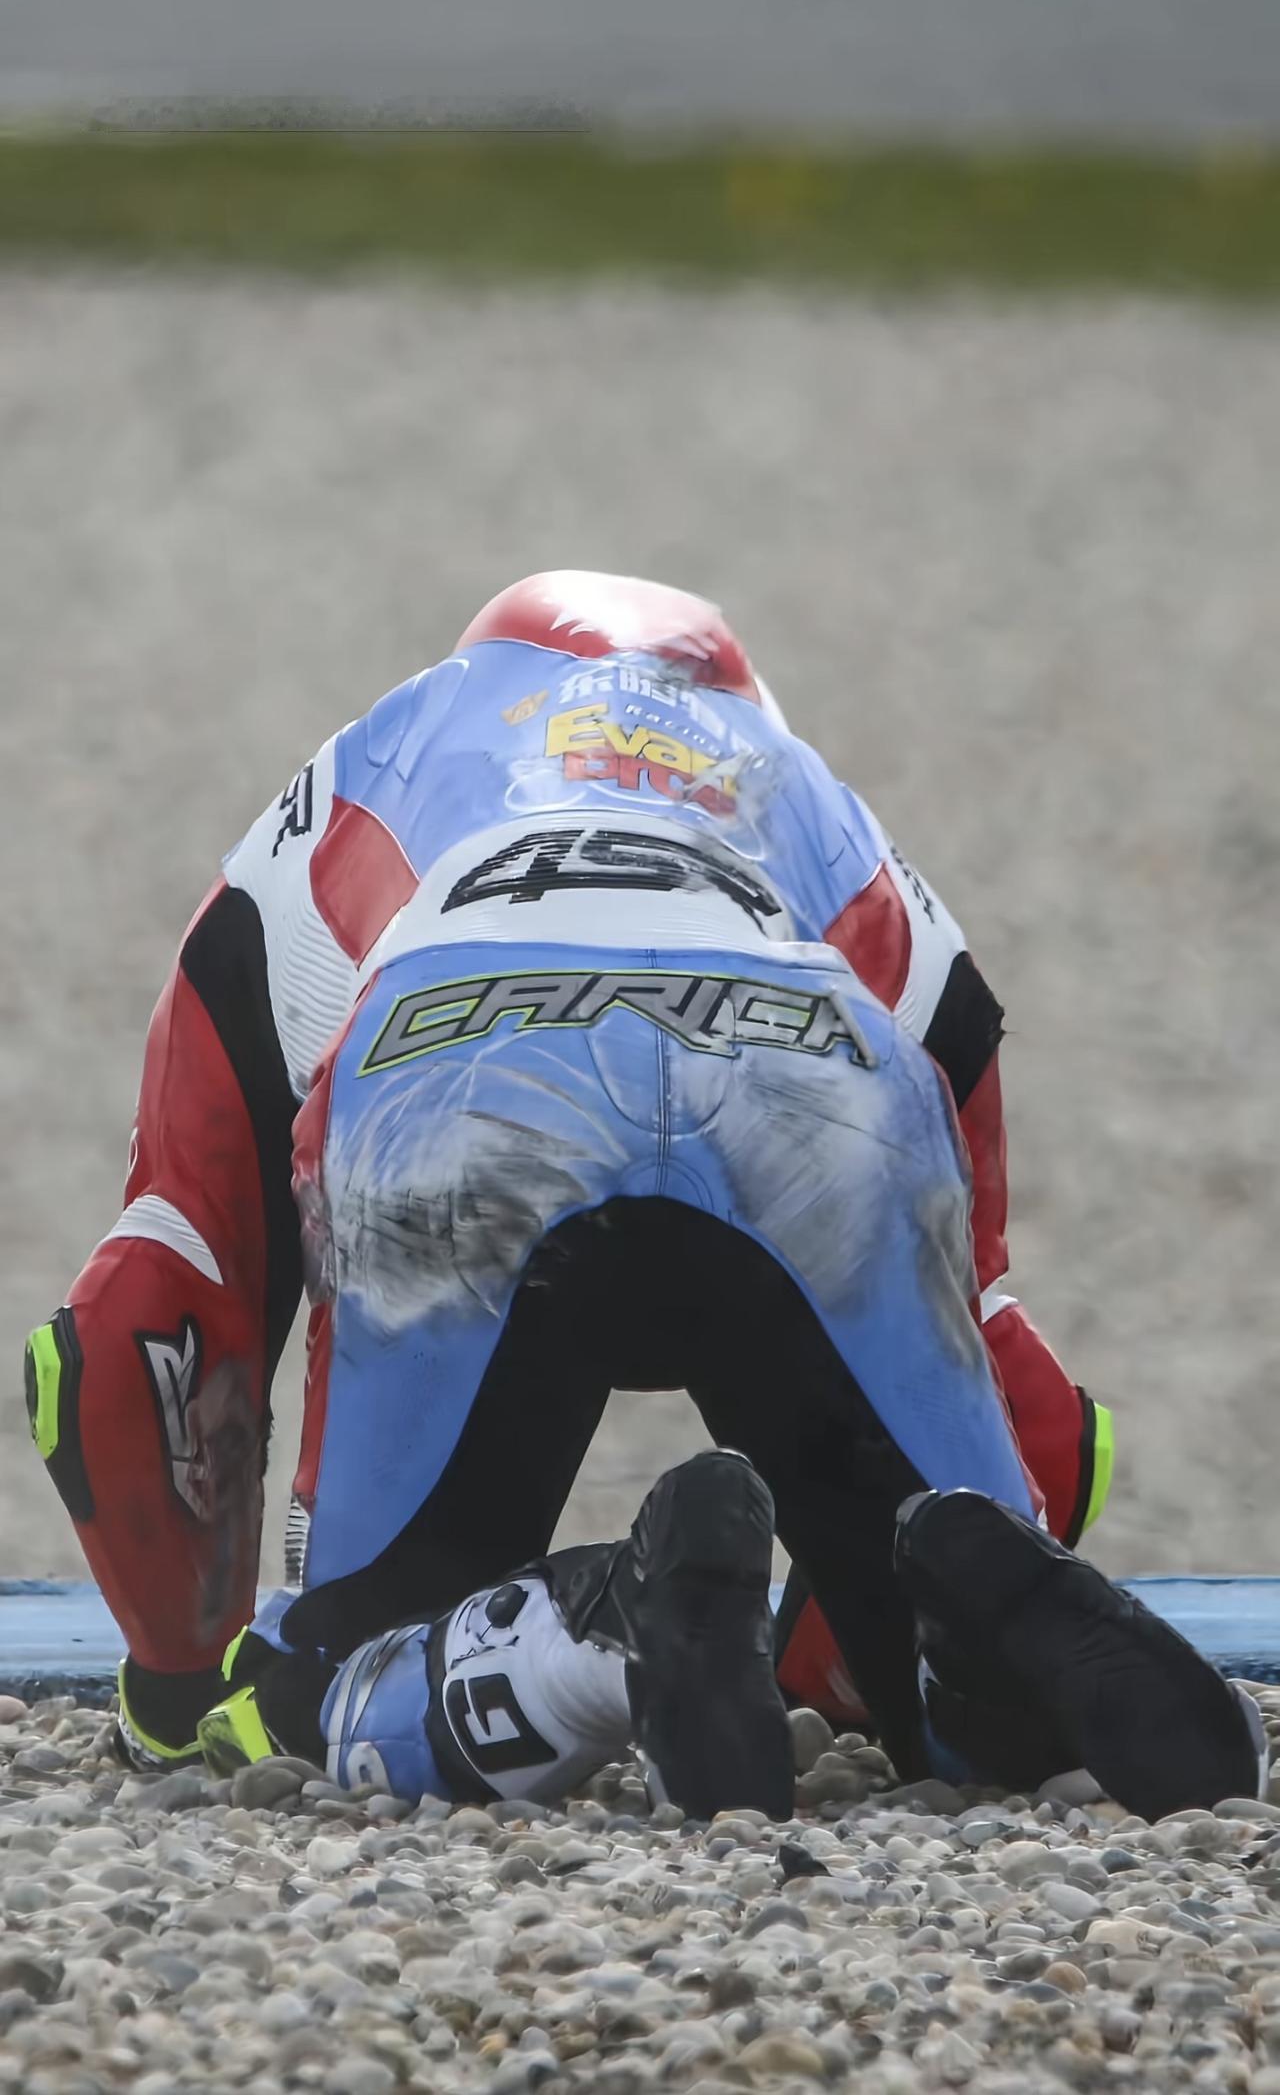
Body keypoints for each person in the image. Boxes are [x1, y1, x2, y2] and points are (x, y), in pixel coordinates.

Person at [24, 569, 1256, 1816]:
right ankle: (995, 1684)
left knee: (329, 1691)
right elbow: (996, 1352)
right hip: (807, 1064)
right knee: (935, 1655)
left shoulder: (363, 761)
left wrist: (179, 1687)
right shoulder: (823, 803)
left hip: (472, 1065)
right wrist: (832, 1661)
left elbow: (152, 1309)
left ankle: (596, 1642)